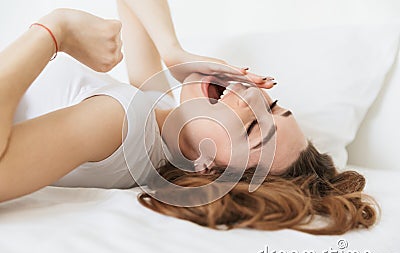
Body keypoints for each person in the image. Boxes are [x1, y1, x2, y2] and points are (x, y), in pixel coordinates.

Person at [0, 0, 377, 235]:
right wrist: (173, 51)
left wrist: (54, 31)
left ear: (207, 168)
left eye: (251, 127)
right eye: (272, 104)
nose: (251, 96)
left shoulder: (123, 122)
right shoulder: (153, 116)